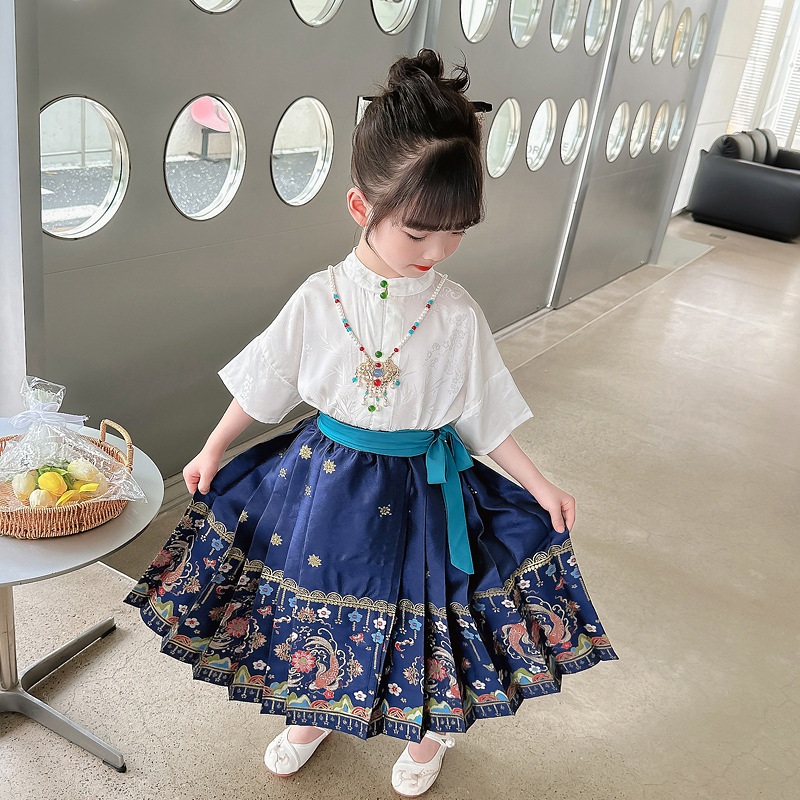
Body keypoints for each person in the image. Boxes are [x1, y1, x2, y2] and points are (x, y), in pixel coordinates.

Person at [122, 48, 618, 798]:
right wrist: (215, 445)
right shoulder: (318, 297)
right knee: (315, 597)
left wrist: (539, 483)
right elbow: (269, 379)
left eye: (456, 232)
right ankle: (314, 710)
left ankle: (427, 731)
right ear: (362, 209)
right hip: (327, 481)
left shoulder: (456, 313)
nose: (438, 251)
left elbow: (482, 410)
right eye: (419, 233)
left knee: (428, 608)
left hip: (425, 488)